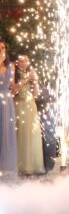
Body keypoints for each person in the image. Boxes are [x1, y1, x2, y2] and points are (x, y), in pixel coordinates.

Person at [13, 54, 45, 175]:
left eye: (26, 60)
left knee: (31, 135)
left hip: (31, 105)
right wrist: (26, 78)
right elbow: (14, 90)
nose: (24, 62)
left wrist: (35, 81)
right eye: (22, 60)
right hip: (18, 106)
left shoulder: (30, 74)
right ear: (17, 62)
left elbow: (36, 94)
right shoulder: (14, 73)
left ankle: (31, 166)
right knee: (21, 134)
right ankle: (20, 166)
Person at [0, 38, 18, 178]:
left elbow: (13, 88)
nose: (1, 50)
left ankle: (5, 166)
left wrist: (27, 80)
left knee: (6, 132)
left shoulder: (11, 66)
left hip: (7, 102)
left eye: (3, 48)